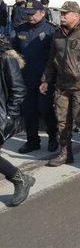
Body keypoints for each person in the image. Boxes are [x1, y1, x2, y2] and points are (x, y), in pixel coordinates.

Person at [40, 1, 80, 167]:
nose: (62, 16)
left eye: (65, 14)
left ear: (75, 15)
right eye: (61, 14)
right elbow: (51, 60)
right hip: (62, 85)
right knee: (62, 121)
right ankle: (64, 153)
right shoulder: (57, 34)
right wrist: (46, 80)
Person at [12, 0, 58, 154]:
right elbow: (15, 52)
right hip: (26, 79)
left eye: (32, 14)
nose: (29, 16)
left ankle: (53, 137)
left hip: (45, 79)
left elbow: (55, 58)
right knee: (28, 111)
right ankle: (32, 141)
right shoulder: (20, 29)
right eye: (27, 14)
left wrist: (49, 78)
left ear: (42, 13)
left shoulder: (52, 31)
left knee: (45, 109)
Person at [0, 37, 32, 206]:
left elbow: (18, 90)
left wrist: (9, 117)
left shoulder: (6, 58)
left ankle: (20, 179)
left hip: (3, 116)